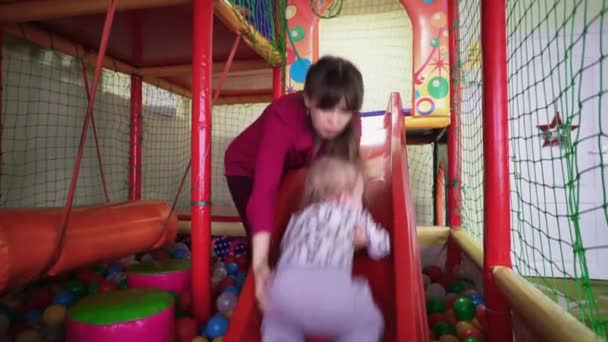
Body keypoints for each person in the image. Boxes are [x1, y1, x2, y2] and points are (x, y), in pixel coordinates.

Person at [224, 56, 364, 309]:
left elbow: (351, 174)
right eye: (325, 108)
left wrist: (355, 219)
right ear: (308, 99)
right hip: (245, 168)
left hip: (292, 167)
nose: (335, 121)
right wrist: (260, 265)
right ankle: (255, 285)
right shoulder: (284, 116)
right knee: (270, 239)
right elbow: (263, 193)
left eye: (344, 110)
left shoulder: (351, 123)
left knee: (303, 230)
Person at [262, 156, 391, 342]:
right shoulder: (354, 215)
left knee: (278, 323)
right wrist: (366, 240)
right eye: (359, 197)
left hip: (282, 286)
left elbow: (285, 246)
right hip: (328, 288)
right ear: (344, 198)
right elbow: (383, 245)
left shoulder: (299, 217)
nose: (361, 203)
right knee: (368, 320)